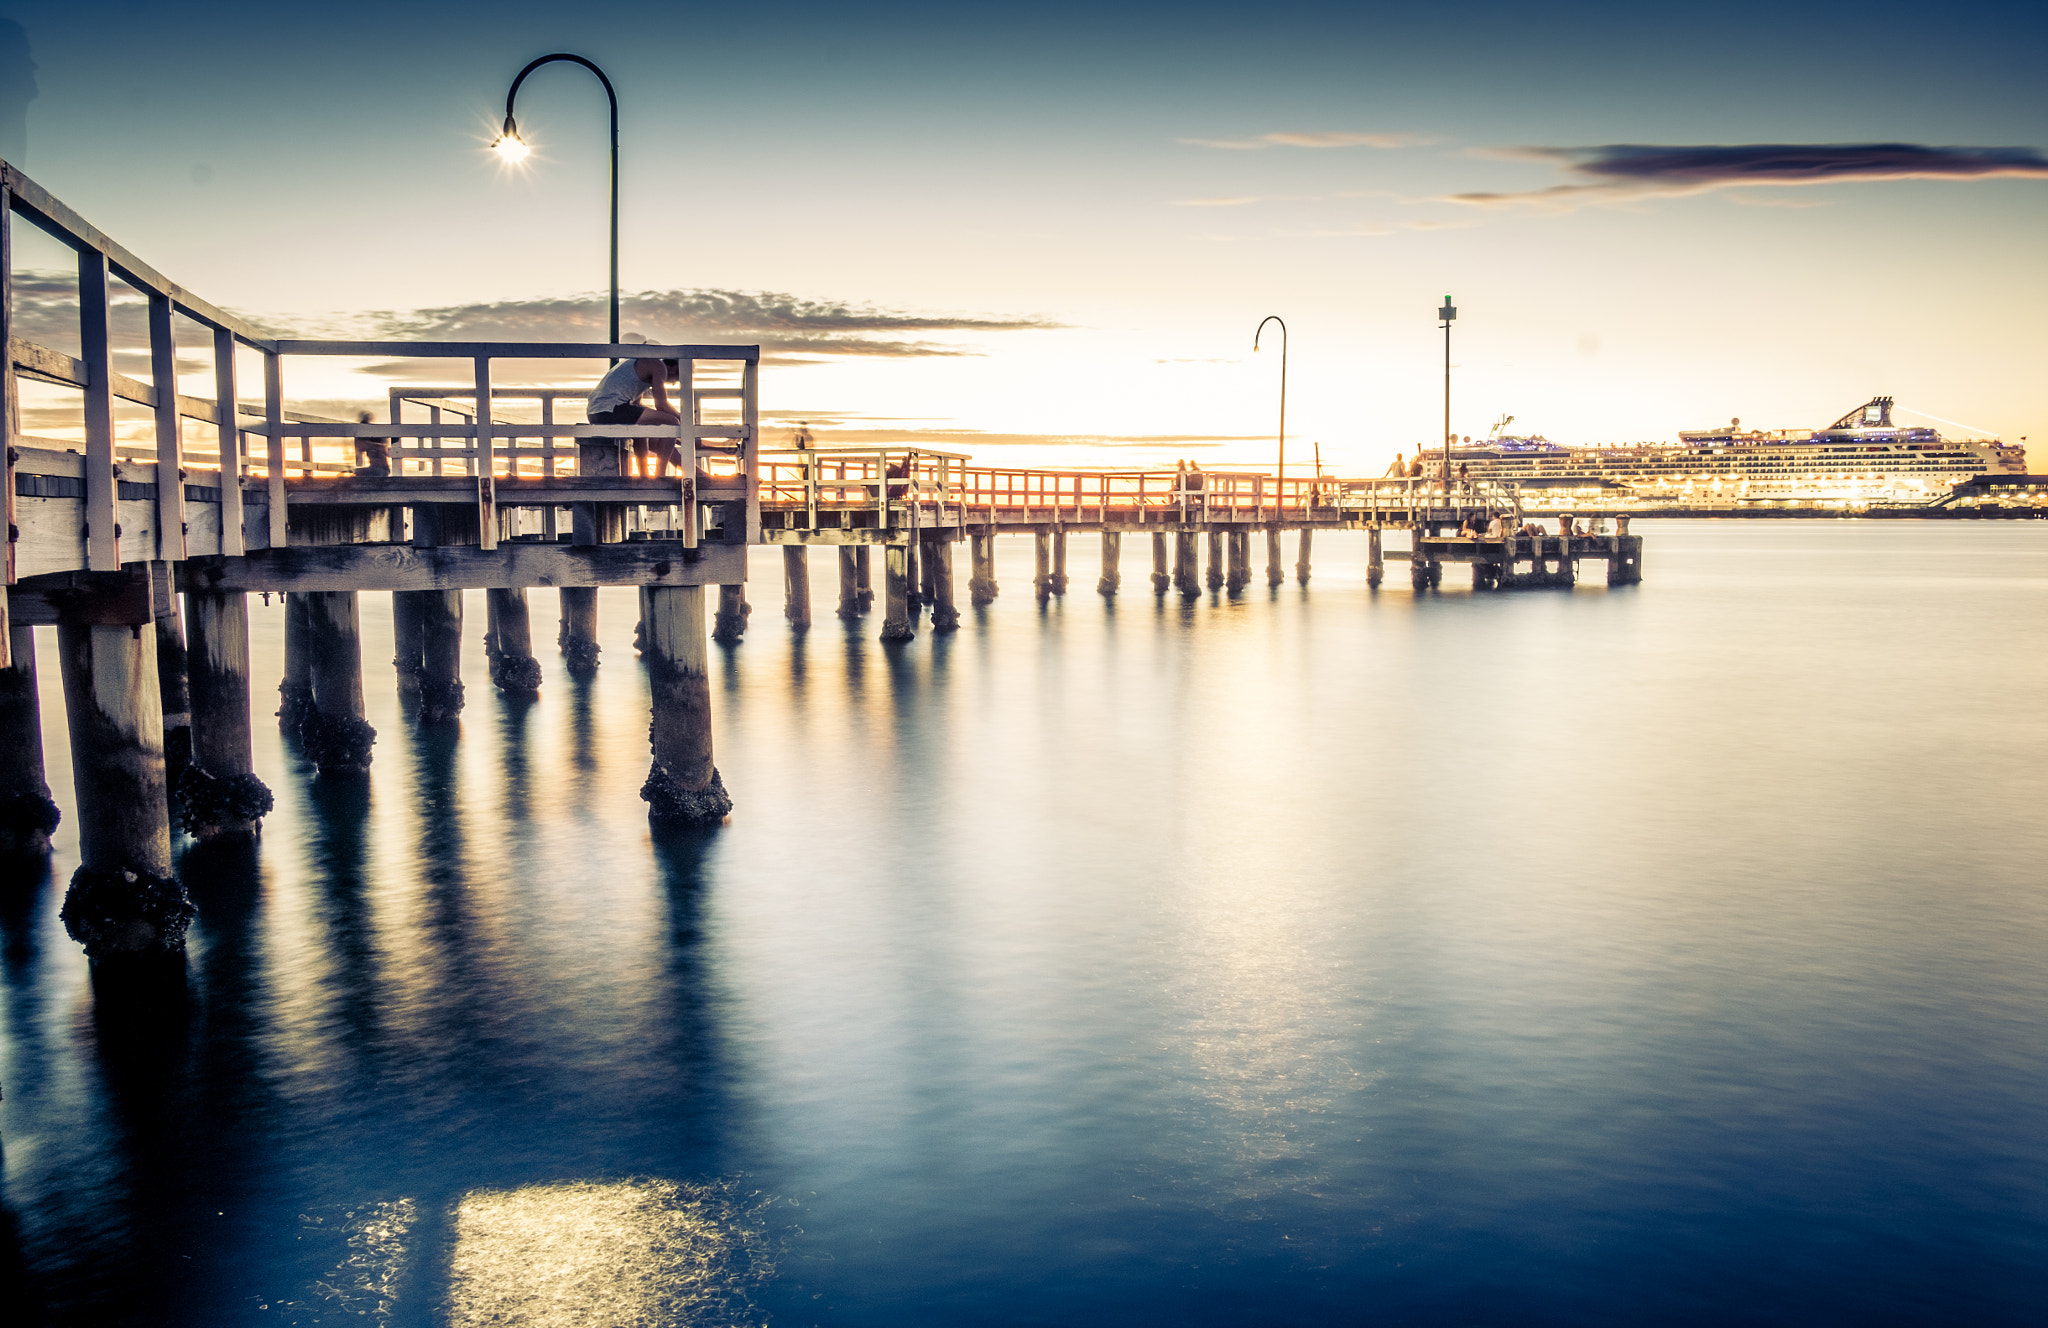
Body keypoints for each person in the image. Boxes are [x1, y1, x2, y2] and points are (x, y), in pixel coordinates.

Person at [586, 356, 734, 479]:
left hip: (597, 413)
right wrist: (683, 419)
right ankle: (660, 476)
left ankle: (700, 475)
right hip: (609, 409)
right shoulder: (658, 365)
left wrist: (717, 446)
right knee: (672, 423)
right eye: (678, 378)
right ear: (675, 368)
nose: (674, 382)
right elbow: (661, 405)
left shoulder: (639, 373)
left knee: (659, 440)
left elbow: (641, 410)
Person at [354, 411, 391, 478]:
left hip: (381, 469)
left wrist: (367, 444)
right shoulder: (375, 439)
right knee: (357, 472)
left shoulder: (374, 440)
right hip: (379, 468)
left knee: (357, 473)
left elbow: (361, 447)